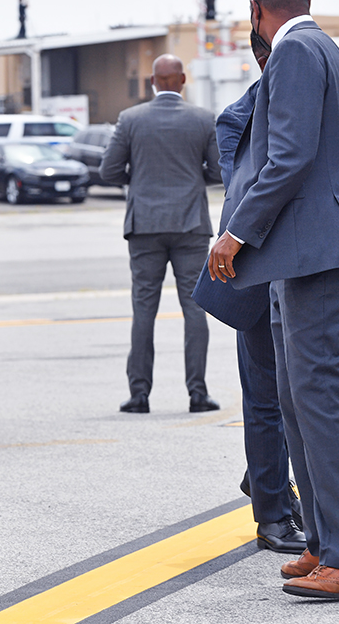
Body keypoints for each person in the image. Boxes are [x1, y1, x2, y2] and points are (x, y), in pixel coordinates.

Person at [209, 0, 339, 598]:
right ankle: (324, 542)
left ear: (255, 10)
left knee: (318, 402)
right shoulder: (324, 47)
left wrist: (235, 232)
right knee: (298, 401)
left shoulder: (295, 50)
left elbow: (291, 155)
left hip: (317, 251)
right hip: (306, 250)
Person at [211, 31, 305, 554]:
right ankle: (271, 512)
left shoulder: (311, 101)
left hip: (307, 265)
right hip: (259, 265)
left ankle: (264, 474)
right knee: (267, 393)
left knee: (294, 392)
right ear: (266, 58)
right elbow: (248, 190)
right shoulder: (238, 116)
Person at [99, 54, 222, 414]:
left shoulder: (131, 119)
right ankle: (198, 394)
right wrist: (192, 179)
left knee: (143, 310)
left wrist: (138, 183)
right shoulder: (203, 119)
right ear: (182, 80)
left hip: (145, 226)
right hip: (190, 225)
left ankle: (139, 395)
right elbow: (219, 171)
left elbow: (108, 171)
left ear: (152, 82)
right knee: (195, 309)